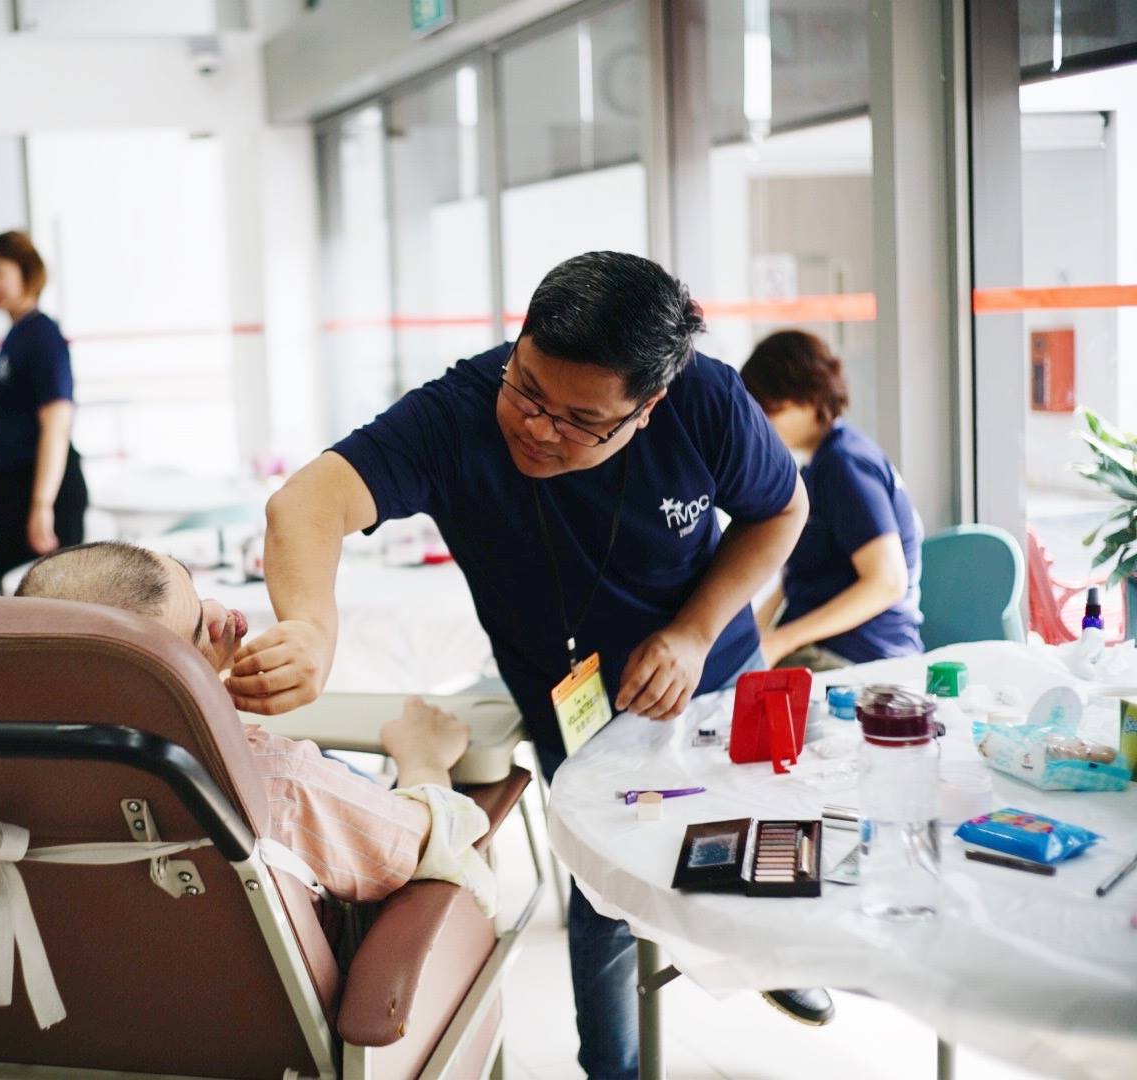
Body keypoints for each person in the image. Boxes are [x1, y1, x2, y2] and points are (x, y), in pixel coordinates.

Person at [229, 252, 826, 1078]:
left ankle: (775, 959)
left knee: (756, 829)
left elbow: (782, 510)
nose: (539, 428)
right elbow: (307, 502)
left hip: (711, 664)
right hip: (566, 689)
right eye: (529, 392)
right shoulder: (459, 412)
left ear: (647, 407)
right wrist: (311, 629)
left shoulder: (708, 401)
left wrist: (691, 633)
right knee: (607, 884)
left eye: (581, 421)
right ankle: (609, 1068)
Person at [15, 540, 495, 909]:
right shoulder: (277, 786)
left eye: (199, 593)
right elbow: (434, 846)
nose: (224, 612)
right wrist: (423, 758)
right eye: (202, 628)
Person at [741, 330, 924, 669]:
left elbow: (887, 581)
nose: (762, 427)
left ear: (808, 398)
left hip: (857, 654)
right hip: (830, 648)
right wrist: (753, 638)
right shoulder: (821, 466)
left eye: (768, 411)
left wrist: (780, 641)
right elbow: (798, 581)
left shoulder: (844, 465)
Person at [0, 231, 88, 584]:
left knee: (46, 602)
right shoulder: (15, 336)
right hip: (13, 487)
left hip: (41, 487)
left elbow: (57, 425)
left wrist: (42, 505)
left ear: (27, 272)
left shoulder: (43, 335)